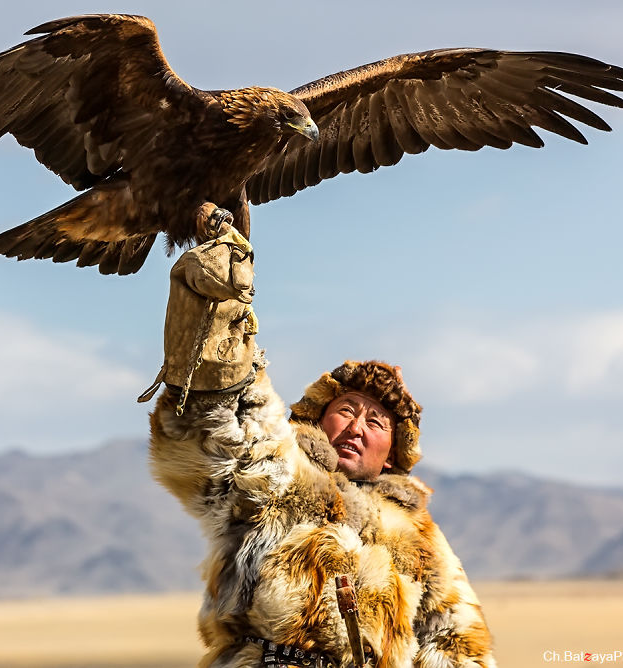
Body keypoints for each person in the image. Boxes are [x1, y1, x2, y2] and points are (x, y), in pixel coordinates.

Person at [144, 228, 495, 668]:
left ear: (390, 454)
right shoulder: (280, 474)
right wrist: (216, 314)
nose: (357, 427)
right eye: (346, 409)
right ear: (319, 417)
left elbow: (456, 642)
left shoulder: (419, 536)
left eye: (377, 422)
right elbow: (219, 423)